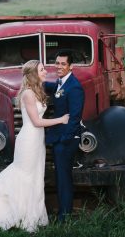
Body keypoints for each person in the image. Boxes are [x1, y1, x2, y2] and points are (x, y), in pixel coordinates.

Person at [0, 60, 69, 232]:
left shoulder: (36, 90)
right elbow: (36, 121)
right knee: (25, 176)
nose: (45, 71)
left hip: (37, 140)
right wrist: (61, 120)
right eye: (42, 69)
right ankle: (11, 215)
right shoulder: (28, 94)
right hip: (28, 140)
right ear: (34, 73)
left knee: (35, 177)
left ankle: (30, 216)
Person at [44, 50, 85, 222]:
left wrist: (63, 141)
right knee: (61, 176)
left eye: (63, 64)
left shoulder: (74, 87)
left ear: (71, 66)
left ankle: (64, 216)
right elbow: (56, 89)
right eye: (57, 63)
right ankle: (63, 212)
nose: (59, 66)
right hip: (59, 138)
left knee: (64, 178)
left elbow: (75, 118)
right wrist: (37, 81)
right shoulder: (61, 82)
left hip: (67, 140)